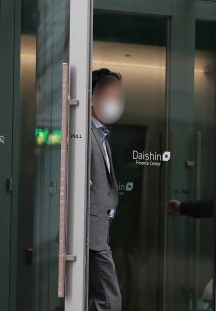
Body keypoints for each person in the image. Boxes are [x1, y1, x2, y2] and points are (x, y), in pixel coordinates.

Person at [89, 68, 125, 311]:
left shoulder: (102, 137)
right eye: (110, 96)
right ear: (92, 97)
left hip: (99, 232)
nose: (115, 102)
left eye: (118, 97)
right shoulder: (84, 134)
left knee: (85, 297)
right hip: (91, 236)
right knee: (110, 301)